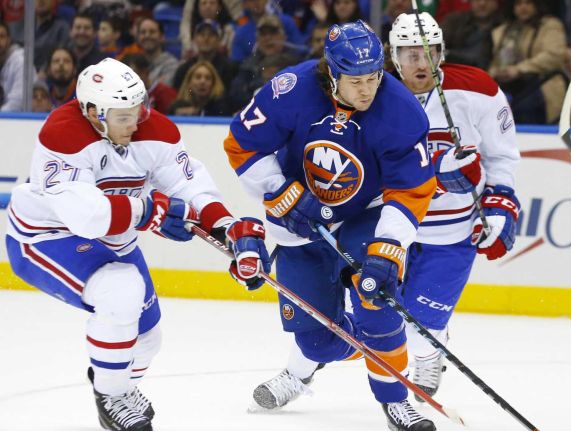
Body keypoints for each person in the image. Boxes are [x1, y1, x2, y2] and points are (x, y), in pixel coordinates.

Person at [249, 10, 521, 413]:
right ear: (392, 56)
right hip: (385, 219)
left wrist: (501, 202)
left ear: (442, 52)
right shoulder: (371, 90)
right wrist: (442, 171)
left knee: (419, 324)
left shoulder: (478, 90)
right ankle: (300, 370)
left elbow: (503, 157)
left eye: (429, 53)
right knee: (370, 308)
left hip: (447, 229)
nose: (421, 64)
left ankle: (430, 351)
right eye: (410, 54)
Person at [4, 57, 249, 431]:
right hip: (47, 236)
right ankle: (112, 395)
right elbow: (85, 217)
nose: (134, 123)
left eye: (138, 110)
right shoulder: (63, 133)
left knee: (148, 339)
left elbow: (189, 186)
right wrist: (149, 210)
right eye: (122, 116)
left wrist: (229, 228)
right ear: (92, 112)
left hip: (114, 241)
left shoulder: (152, 128)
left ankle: (114, 383)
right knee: (121, 290)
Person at [223, 20, 439, 431]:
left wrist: (388, 248)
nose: (367, 89)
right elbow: (241, 145)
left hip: (366, 216)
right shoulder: (290, 89)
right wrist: (280, 191)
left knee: (376, 299)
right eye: (356, 80)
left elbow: (412, 189)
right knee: (316, 342)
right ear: (331, 73)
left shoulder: (401, 112)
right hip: (298, 222)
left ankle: (395, 398)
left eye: (374, 77)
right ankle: (367, 349)